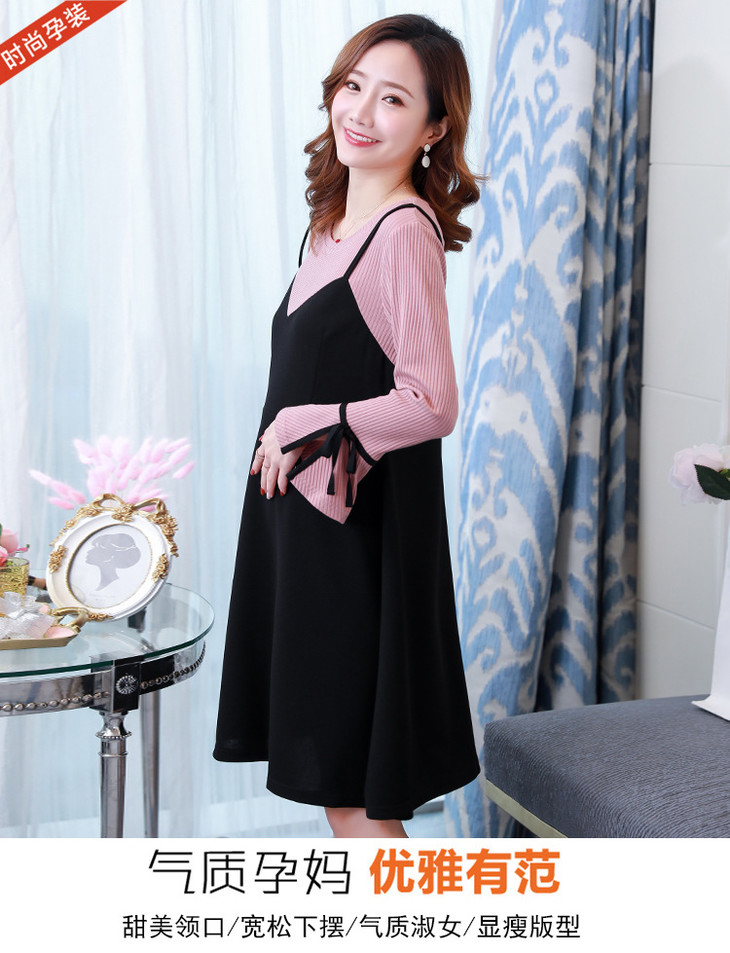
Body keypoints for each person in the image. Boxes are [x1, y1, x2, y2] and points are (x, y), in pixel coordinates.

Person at [214, 14, 481, 838]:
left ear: (433, 128)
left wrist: (307, 421)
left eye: (393, 98)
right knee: (341, 791)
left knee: (351, 794)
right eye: (353, 86)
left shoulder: (402, 232)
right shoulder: (330, 225)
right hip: (308, 535)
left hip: (354, 550)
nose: (361, 111)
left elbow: (432, 401)